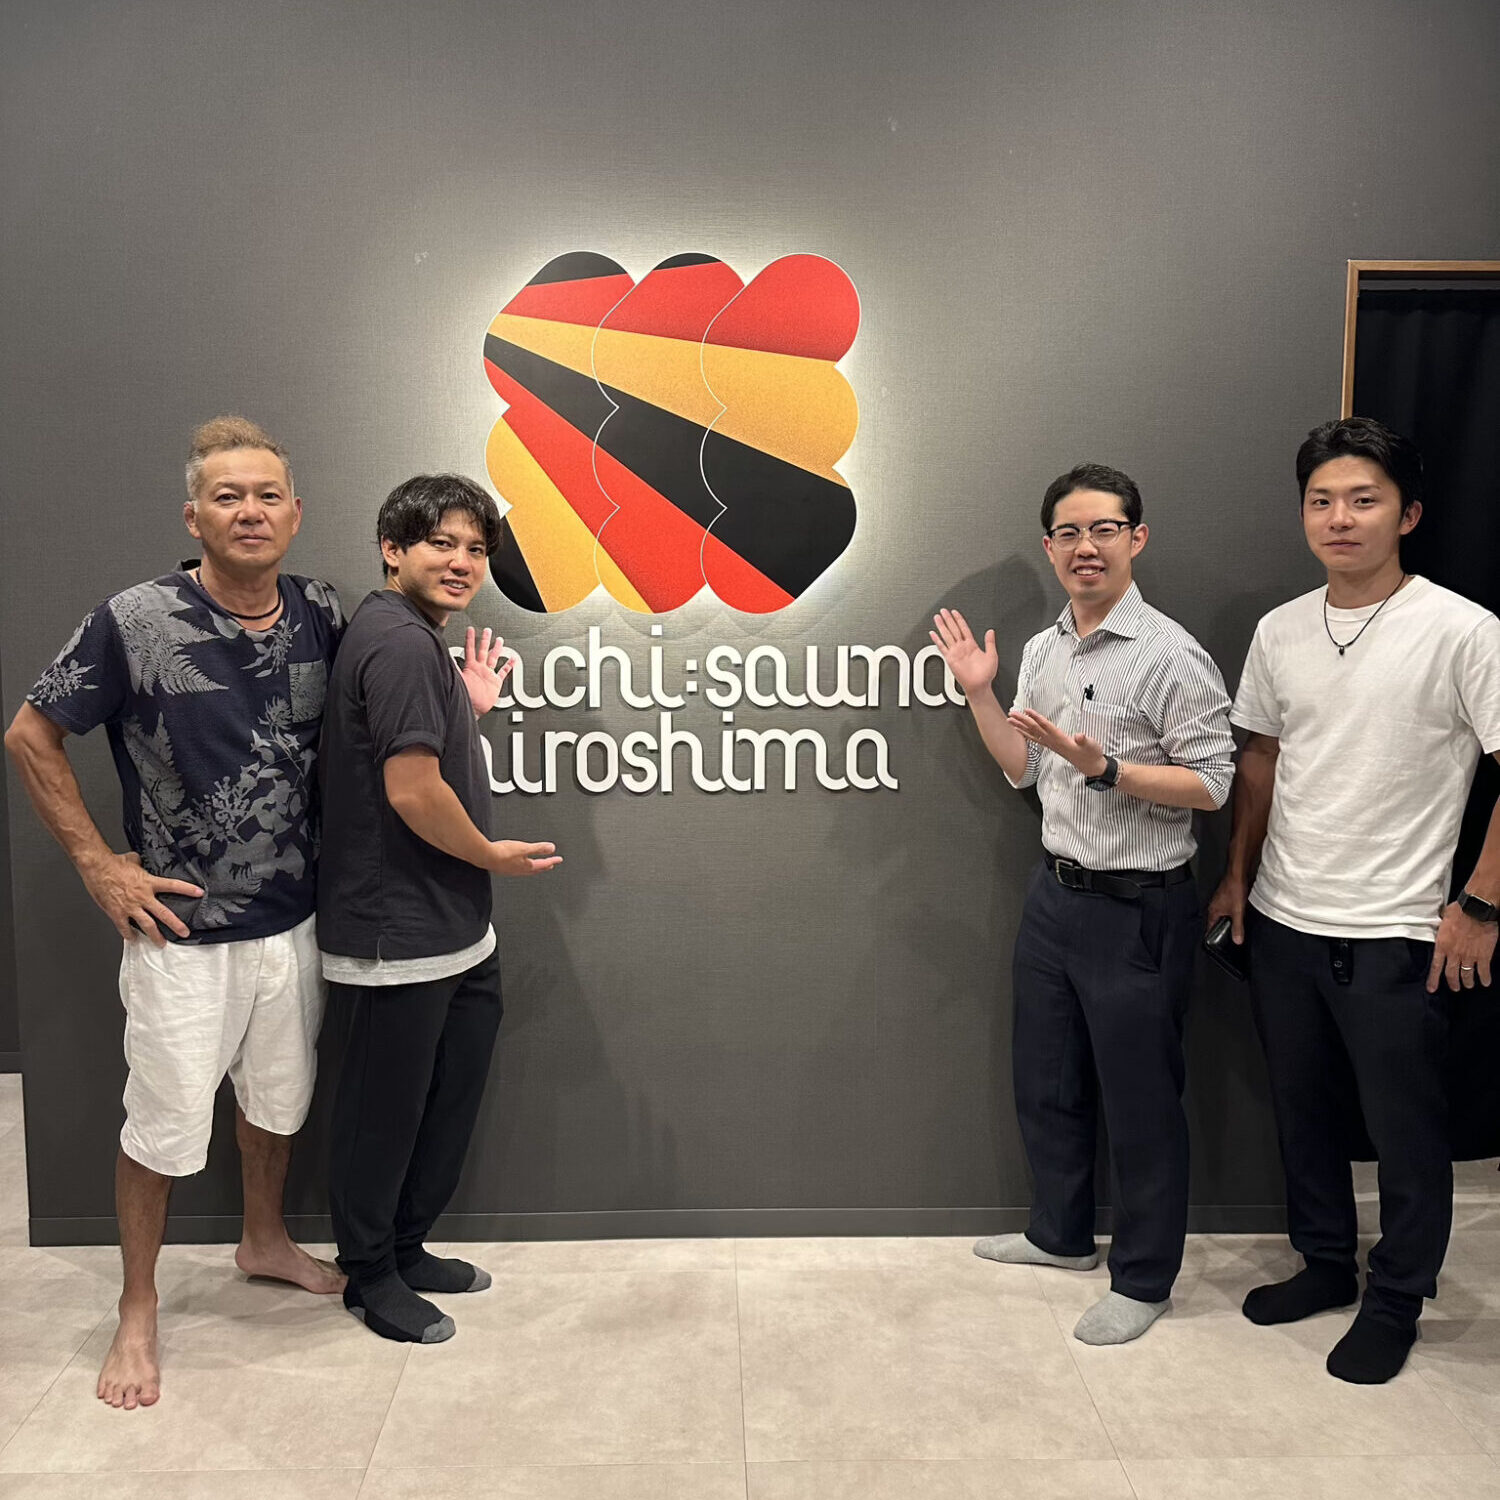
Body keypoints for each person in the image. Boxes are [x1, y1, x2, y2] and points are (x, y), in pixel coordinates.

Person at [4, 417, 347, 1409]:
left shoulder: (322, 611)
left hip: (295, 923)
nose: (251, 511)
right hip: (181, 934)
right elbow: (30, 735)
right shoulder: (136, 620)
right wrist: (97, 865)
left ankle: (264, 1239)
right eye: (228, 496)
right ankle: (138, 1307)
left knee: (276, 1106)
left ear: (295, 512)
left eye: (268, 495)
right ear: (194, 515)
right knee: (161, 1128)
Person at [1208, 417, 1500, 1384]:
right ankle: (1326, 1263)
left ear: (1407, 514)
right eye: (1322, 500)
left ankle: (1396, 1298)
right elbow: (1260, 758)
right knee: (1304, 1112)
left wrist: (1480, 906)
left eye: (1363, 500)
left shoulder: (1463, 630)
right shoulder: (1281, 630)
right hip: (1285, 918)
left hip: (1397, 931)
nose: (1340, 518)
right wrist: (1238, 875)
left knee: (1407, 1133)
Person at [932, 463, 1234, 1345]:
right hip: (1055, 897)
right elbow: (1023, 769)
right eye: (1069, 533)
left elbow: (1213, 785)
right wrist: (980, 691)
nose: (1085, 547)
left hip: (1139, 908)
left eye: (1104, 529)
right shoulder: (1044, 649)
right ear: (1049, 547)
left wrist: (1106, 768)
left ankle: (1144, 1278)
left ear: (1136, 538)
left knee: (1142, 1104)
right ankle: (1059, 1235)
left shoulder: (1171, 654)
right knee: (1048, 1080)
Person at [318, 473, 561, 1345]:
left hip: (455, 932)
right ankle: (369, 1274)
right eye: (441, 543)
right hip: (399, 935)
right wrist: (492, 855)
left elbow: (414, 750)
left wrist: (468, 707)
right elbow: (412, 791)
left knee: (440, 1106)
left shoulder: (415, 643)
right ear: (393, 550)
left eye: (476, 548)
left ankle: (406, 1248)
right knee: (384, 1116)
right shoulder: (398, 643)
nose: (462, 562)